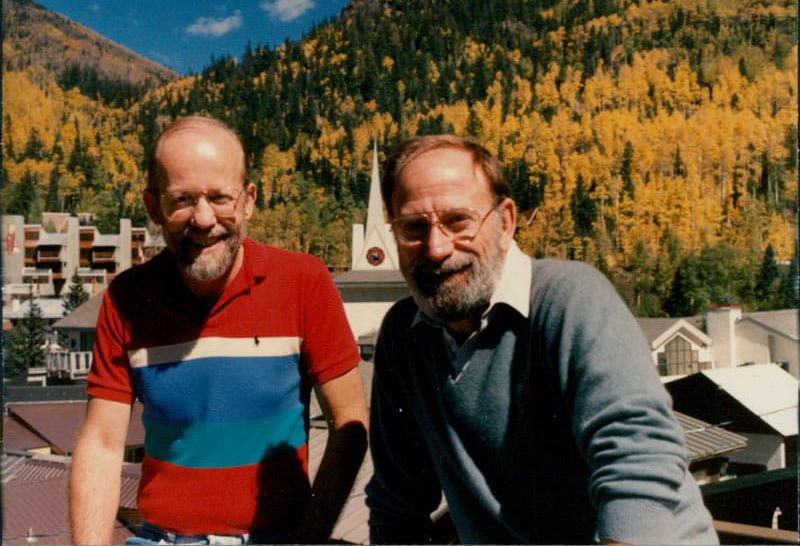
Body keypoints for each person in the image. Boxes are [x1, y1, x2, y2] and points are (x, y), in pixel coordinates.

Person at [365, 134, 718, 545]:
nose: (436, 246)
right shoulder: (403, 335)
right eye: (413, 227)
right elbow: (396, 500)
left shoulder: (568, 298)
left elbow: (638, 455)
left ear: (506, 222)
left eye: (458, 220)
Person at [69, 115, 368, 545]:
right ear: (154, 208)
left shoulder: (303, 281)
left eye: (220, 197)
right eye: (182, 200)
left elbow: (350, 422)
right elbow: (101, 443)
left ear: (248, 201)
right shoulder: (127, 298)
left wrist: (309, 540)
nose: (204, 218)